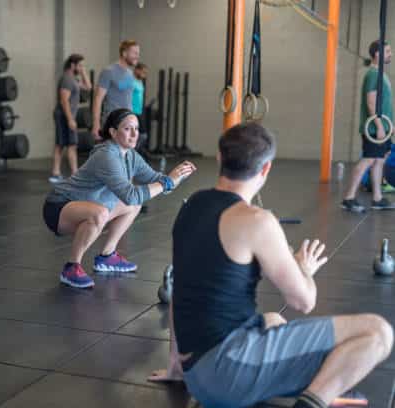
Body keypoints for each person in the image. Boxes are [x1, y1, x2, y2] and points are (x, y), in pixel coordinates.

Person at [148, 123, 393, 408]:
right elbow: (304, 301)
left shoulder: (191, 206)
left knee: (274, 320)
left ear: (219, 158)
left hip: (196, 376)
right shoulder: (257, 220)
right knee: (377, 333)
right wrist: (303, 268)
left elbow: (180, 292)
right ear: (266, 169)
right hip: (227, 374)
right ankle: (311, 403)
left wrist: (176, 368)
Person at [43, 108, 196, 288]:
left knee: (134, 205)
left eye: (137, 129)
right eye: (127, 129)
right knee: (101, 213)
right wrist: (167, 183)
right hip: (59, 207)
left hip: (88, 206)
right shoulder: (107, 155)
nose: (134, 134)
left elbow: (157, 181)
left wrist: (177, 176)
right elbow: (131, 194)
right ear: (113, 132)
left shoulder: (130, 155)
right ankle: (71, 267)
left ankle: (107, 256)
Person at [342, 40, 394, 212]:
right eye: (387, 51)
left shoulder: (380, 74)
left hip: (383, 128)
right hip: (374, 129)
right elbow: (371, 103)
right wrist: (379, 126)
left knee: (379, 161)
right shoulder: (373, 75)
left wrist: (389, 126)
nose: (390, 54)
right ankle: (348, 198)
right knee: (368, 160)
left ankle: (377, 198)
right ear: (378, 54)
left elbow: (384, 104)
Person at [50, 54, 92, 184]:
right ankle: (72, 175)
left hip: (66, 116)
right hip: (64, 116)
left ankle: (58, 173)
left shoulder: (73, 79)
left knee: (64, 145)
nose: (81, 68)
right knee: (69, 145)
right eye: (79, 65)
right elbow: (64, 100)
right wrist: (70, 119)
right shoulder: (67, 79)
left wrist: (83, 71)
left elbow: (88, 87)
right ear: (72, 65)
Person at [91, 40, 139, 141]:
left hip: (127, 124)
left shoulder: (130, 73)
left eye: (138, 53)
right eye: (134, 53)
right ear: (124, 53)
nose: (137, 56)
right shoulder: (109, 72)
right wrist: (96, 124)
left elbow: (127, 98)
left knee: (125, 156)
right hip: (112, 124)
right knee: (111, 155)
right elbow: (98, 99)